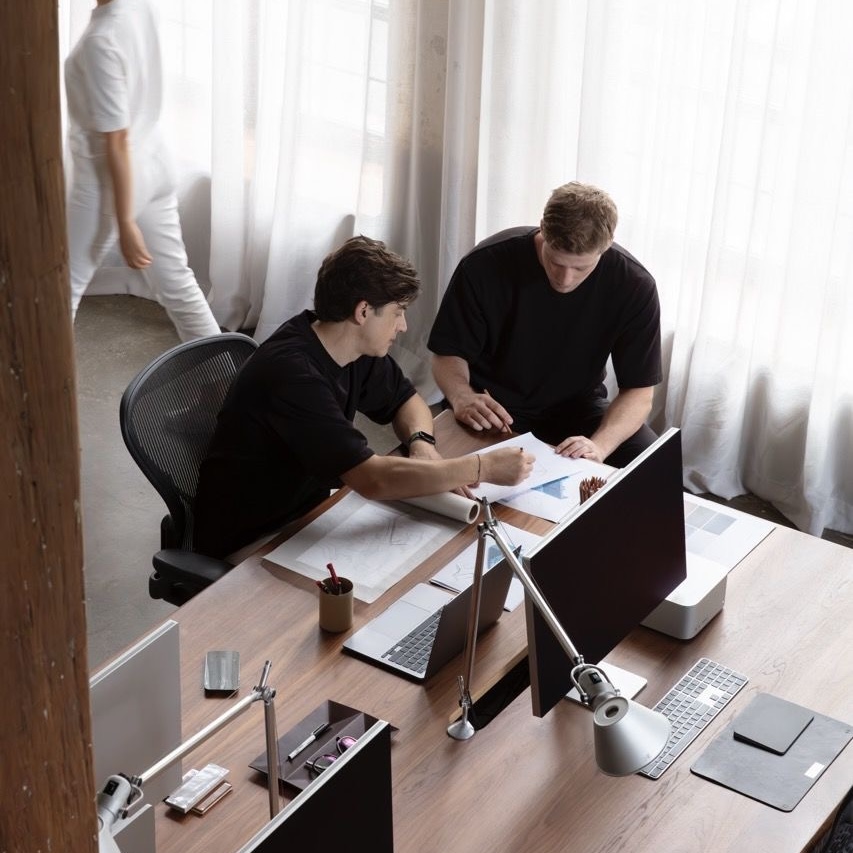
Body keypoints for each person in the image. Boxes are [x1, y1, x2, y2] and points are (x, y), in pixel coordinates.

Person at [193, 235, 535, 559]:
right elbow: (372, 479)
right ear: (363, 311)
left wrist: (421, 445)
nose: (402, 326)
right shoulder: (293, 376)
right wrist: (481, 467)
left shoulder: (348, 348)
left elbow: (407, 400)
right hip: (254, 540)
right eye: (398, 312)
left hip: (312, 512)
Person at [427, 181, 662, 467]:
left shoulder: (635, 286)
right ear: (543, 230)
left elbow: (639, 392)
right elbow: (448, 352)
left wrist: (598, 447)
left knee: (650, 462)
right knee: (442, 474)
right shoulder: (485, 264)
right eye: (554, 262)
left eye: (580, 268)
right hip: (490, 405)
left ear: (607, 245)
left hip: (577, 408)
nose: (565, 280)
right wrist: (462, 396)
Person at [64, 0, 221, 342]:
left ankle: (40, 391)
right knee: (177, 284)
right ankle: (229, 377)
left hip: (106, 182)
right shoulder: (139, 8)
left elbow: (116, 140)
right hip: (154, 160)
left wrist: (125, 221)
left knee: (61, 291)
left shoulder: (100, 40)